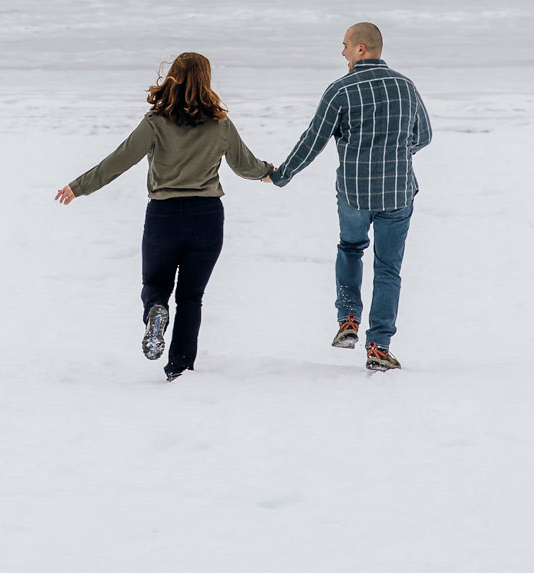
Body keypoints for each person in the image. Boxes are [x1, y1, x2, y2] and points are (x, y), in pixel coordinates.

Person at [55, 52, 275, 381]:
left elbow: (120, 159)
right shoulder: (221, 123)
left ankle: (156, 310)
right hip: (207, 216)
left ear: (172, 77)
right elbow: (245, 165)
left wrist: (79, 187)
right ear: (206, 80)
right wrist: (270, 173)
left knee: (155, 285)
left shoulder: (156, 122)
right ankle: (179, 369)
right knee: (191, 297)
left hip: (164, 215)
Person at [270, 22, 431, 372]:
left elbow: (313, 140)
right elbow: (424, 136)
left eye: (344, 45)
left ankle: (348, 319)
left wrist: (282, 174)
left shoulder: (340, 91)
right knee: (388, 267)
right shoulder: (406, 86)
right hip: (397, 191)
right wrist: (396, 153)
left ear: (361, 49)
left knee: (350, 248)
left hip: (355, 193)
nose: (341, 51)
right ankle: (379, 345)